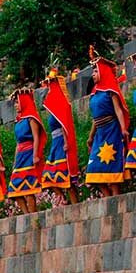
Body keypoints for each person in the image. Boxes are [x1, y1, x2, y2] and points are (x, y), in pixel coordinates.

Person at [86, 48, 130, 196]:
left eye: (96, 71)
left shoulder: (110, 91)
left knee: (111, 167)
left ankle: (115, 197)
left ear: (103, 72)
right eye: (93, 72)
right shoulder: (94, 94)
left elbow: (118, 110)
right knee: (94, 170)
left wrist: (123, 129)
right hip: (99, 133)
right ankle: (107, 197)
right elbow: (95, 118)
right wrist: (91, 136)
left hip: (112, 130)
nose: (93, 75)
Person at [41, 71, 80, 204]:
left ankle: (75, 204)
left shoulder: (61, 103)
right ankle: (64, 201)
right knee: (48, 177)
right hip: (55, 143)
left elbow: (65, 123)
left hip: (62, 142)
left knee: (66, 179)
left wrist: (66, 141)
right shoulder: (53, 107)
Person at [8, 88, 47, 214]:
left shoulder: (31, 118)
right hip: (20, 155)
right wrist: (15, 161)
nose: (15, 105)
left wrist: (36, 155)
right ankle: (26, 214)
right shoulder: (18, 121)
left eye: (17, 102)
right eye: (15, 103)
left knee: (29, 187)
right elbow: (17, 143)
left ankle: (33, 213)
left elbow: (36, 137)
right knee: (14, 188)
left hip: (29, 153)